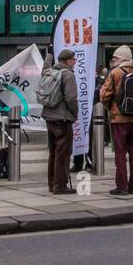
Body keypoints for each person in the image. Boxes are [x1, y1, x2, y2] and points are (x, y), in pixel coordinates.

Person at [99, 46, 133, 195]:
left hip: (119, 119)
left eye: (115, 58)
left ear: (122, 59)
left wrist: (109, 107)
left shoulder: (115, 73)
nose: (113, 61)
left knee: (120, 153)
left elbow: (105, 94)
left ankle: (122, 186)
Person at [39, 49, 79, 195]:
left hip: (49, 117)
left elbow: (44, 67)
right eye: (74, 60)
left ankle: (52, 183)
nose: (75, 62)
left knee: (53, 152)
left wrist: (49, 54)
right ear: (68, 60)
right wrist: (75, 114)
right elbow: (71, 98)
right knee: (63, 153)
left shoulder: (49, 72)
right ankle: (60, 185)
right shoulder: (68, 74)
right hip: (63, 118)